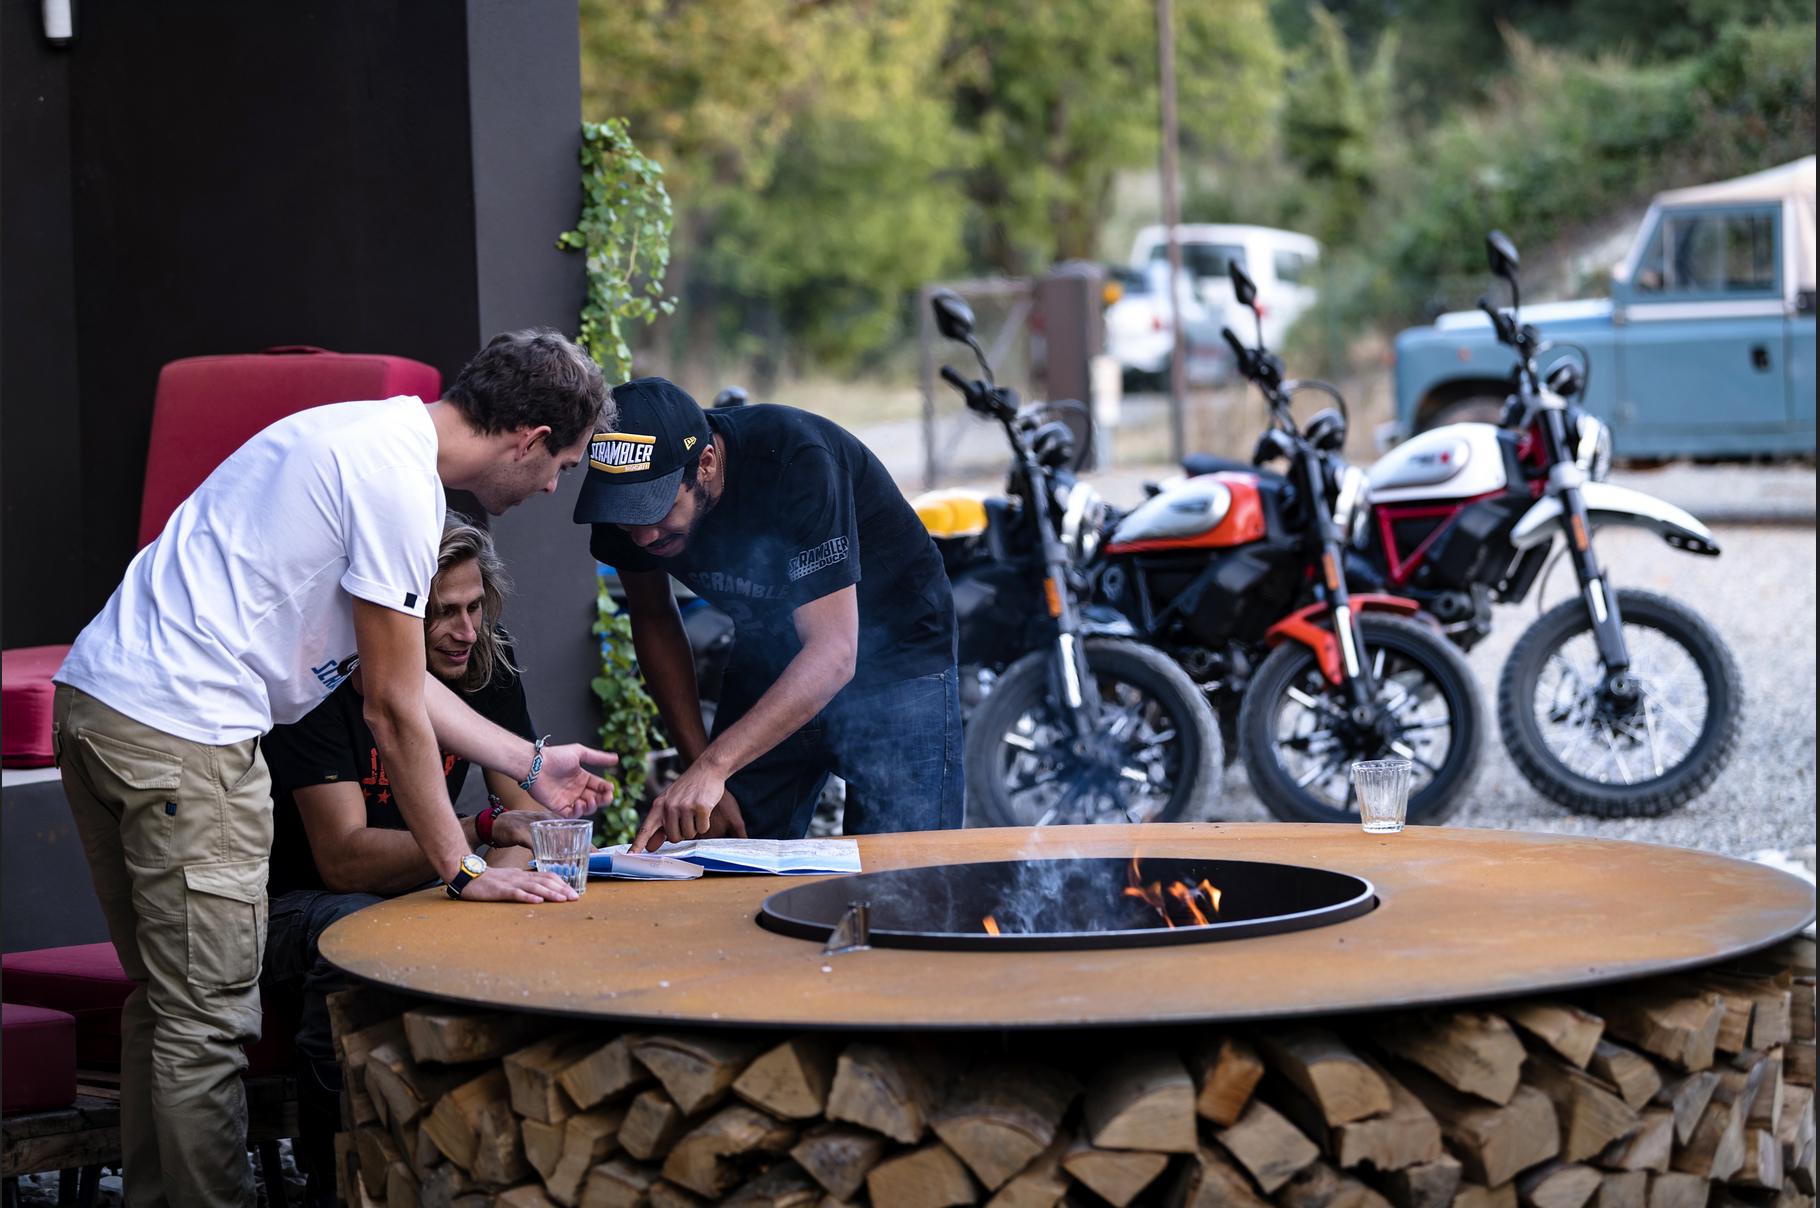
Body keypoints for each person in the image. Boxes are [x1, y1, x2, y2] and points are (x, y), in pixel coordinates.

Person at [52, 329, 618, 1207]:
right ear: (531, 439)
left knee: (166, 1006)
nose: (552, 488)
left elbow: (394, 678)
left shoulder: (358, 435)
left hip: (97, 706)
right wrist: (462, 867)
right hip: (185, 736)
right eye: (563, 466)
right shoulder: (399, 488)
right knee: (207, 1023)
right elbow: (392, 705)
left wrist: (528, 760)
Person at [260, 519, 557, 1204]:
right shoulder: (322, 679)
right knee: (355, 927)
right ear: (389, 616)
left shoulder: (483, 659)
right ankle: (338, 1183)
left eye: (475, 607)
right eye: (443, 613)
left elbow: (528, 821)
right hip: (291, 908)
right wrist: (476, 840)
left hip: (425, 885)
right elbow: (342, 862)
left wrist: (500, 877)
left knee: (535, 908)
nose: (466, 631)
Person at [575, 378, 962, 852]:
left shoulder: (795, 460)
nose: (643, 536)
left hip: (895, 656)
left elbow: (834, 652)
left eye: (658, 509)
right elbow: (653, 616)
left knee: (901, 870)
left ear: (706, 464)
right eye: (627, 516)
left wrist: (715, 766)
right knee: (723, 850)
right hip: (771, 650)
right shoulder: (621, 499)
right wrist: (700, 765)